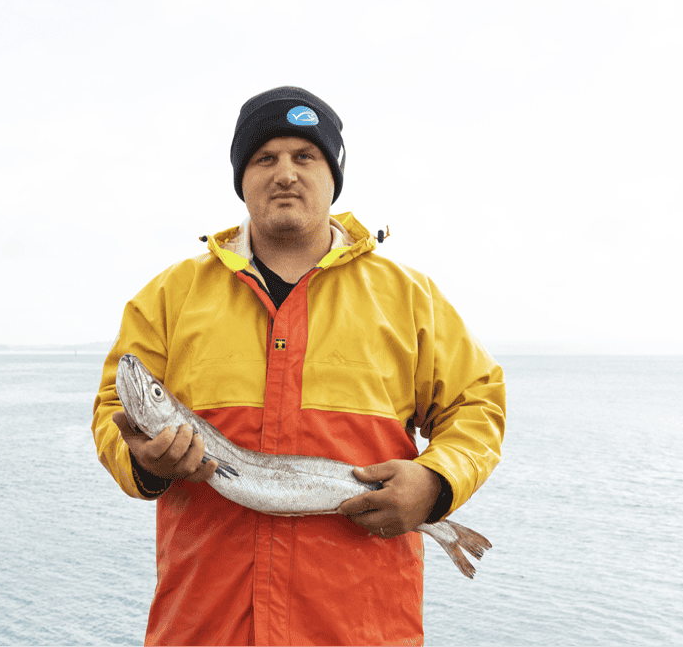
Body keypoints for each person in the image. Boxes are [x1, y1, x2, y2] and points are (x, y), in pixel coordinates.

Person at [92, 86, 506, 646]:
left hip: (361, 631)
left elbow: (476, 404)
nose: (285, 173)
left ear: (334, 176)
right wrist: (143, 463)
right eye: (265, 158)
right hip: (203, 627)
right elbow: (114, 409)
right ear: (241, 179)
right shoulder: (170, 296)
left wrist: (435, 483)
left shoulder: (410, 297)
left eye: (305, 156)